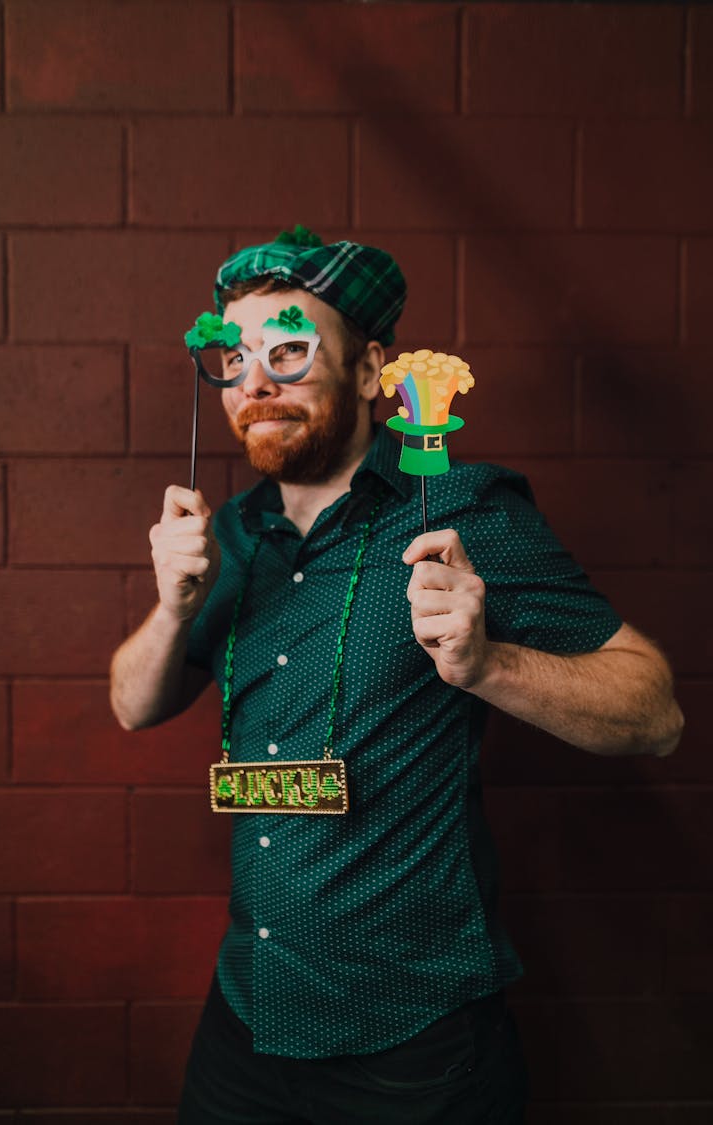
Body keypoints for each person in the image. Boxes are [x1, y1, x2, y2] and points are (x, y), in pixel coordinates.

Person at [109, 228, 683, 1125]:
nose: (255, 382)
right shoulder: (226, 539)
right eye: (236, 356)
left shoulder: (460, 510)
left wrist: (486, 663)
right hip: (248, 1016)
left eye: (289, 349)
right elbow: (131, 703)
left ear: (373, 370)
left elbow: (655, 710)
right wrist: (175, 606)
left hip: (414, 1046)